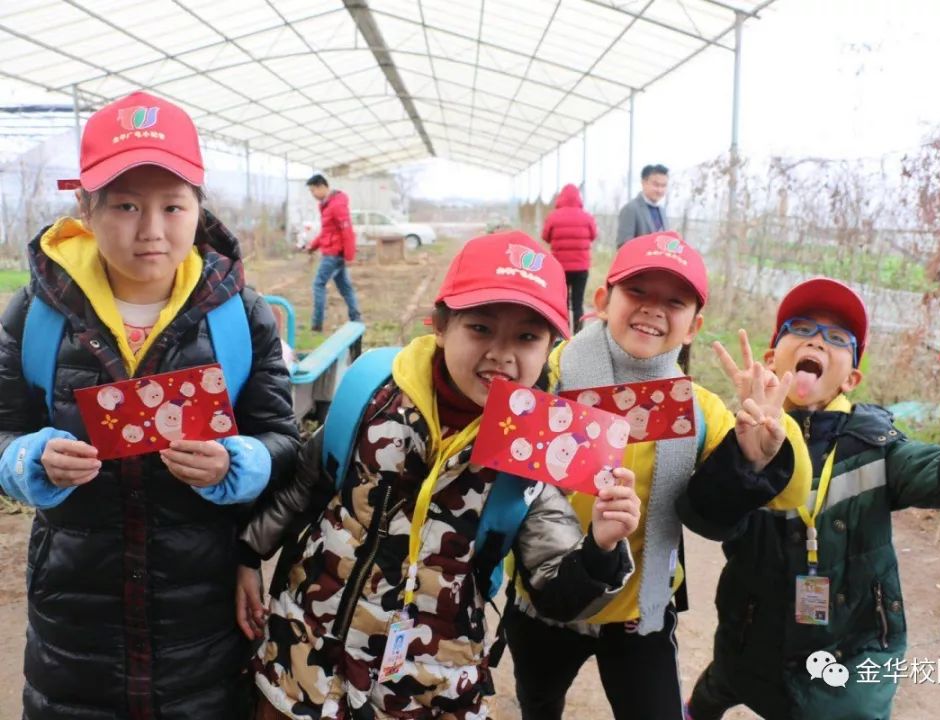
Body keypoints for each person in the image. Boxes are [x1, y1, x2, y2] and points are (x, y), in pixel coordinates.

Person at [239, 231, 643, 719]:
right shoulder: (372, 391)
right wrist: (248, 555)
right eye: (480, 328)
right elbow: (306, 485)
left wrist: (598, 551)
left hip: (429, 690)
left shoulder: (537, 447)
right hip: (301, 663)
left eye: (527, 337)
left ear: (551, 346)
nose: (501, 353)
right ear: (442, 324)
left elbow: (554, 592)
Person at [0, 90, 300, 719]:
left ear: (198, 204)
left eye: (172, 205)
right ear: (85, 206)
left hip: (201, 616)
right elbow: (3, 431)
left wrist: (235, 466)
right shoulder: (35, 315)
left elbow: (281, 437)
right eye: (126, 205)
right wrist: (29, 461)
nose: (152, 231)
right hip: (76, 620)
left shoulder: (240, 318)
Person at [681, 277, 940, 720]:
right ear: (773, 357)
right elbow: (709, 518)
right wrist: (746, 460)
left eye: (837, 338)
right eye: (802, 328)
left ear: (851, 376)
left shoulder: (876, 444)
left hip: (851, 648)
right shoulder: (741, 432)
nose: (817, 341)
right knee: (722, 684)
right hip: (751, 631)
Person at [504, 231, 813, 720]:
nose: (653, 309)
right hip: (547, 605)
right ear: (604, 300)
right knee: (539, 704)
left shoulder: (701, 411)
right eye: (638, 292)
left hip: (637, 618)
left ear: (693, 326)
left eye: (674, 301)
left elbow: (788, 495)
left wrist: (762, 448)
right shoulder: (549, 377)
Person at [305, 173, 362, 331]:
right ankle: (356, 318)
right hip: (333, 252)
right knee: (345, 287)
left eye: (313, 191)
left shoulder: (336, 205)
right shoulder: (326, 205)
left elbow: (347, 230)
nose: (313, 195)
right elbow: (327, 232)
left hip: (334, 254)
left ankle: (317, 325)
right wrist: (313, 246)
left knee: (318, 284)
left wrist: (349, 255)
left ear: (321, 186)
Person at [542, 183, 598, 333]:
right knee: (578, 303)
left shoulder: (553, 217)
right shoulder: (587, 217)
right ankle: (578, 334)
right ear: (579, 198)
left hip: (560, 268)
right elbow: (593, 236)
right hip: (581, 267)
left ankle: (563, 334)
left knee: (563, 303)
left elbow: (545, 236)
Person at [615, 164, 669, 248]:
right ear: (644, 183)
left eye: (663, 186)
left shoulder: (662, 211)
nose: (660, 190)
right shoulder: (631, 209)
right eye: (656, 185)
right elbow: (624, 245)